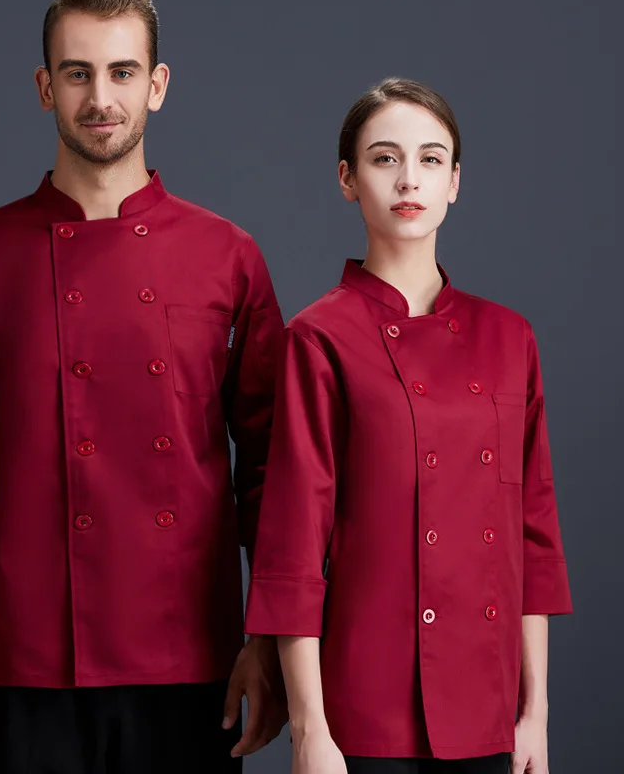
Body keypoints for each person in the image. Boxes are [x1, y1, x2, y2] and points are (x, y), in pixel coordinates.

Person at [0, 0, 287, 771]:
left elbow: (272, 477)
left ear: (157, 85)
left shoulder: (228, 256)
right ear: (46, 88)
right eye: (77, 73)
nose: (100, 98)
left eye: (121, 72)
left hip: (192, 659)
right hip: (24, 661)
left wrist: (269, 644)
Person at [244, 77, 573, 774]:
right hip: (363, 712)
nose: (407, 180)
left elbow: (533, 536)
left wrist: (534, 716)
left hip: (487, 710)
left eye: (430, 159)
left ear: (454, 182)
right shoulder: (318, 338)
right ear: (347, 179)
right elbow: (293, 548)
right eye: (384, 158)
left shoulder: (510, 338)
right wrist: (310, 729)